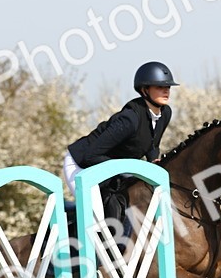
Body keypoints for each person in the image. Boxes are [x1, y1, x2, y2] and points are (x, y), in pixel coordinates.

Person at [62, 61, 177, 196]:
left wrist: (152, 161)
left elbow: (152, 144)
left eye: (168, 86)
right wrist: (127, 169)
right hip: (81, 165)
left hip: (109, 167)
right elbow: (90, 156)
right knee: (96, 212)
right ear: (145, 89)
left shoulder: (165, 113)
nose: (166, 91)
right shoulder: (129, 119)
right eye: (160, 86)